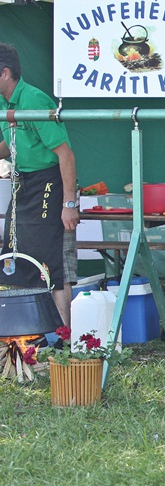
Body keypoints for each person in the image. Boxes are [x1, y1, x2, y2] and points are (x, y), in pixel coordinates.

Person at [0, 42, 79, 331]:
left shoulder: (34, 100)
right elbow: (12, 144)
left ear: (5, 73)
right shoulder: (3, 103)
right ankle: (25, 333)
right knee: (15, 252)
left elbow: (65, 153)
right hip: (23, 183)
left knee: (53, 261)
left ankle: (65, 338)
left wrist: (69, 204)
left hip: (52, 181)